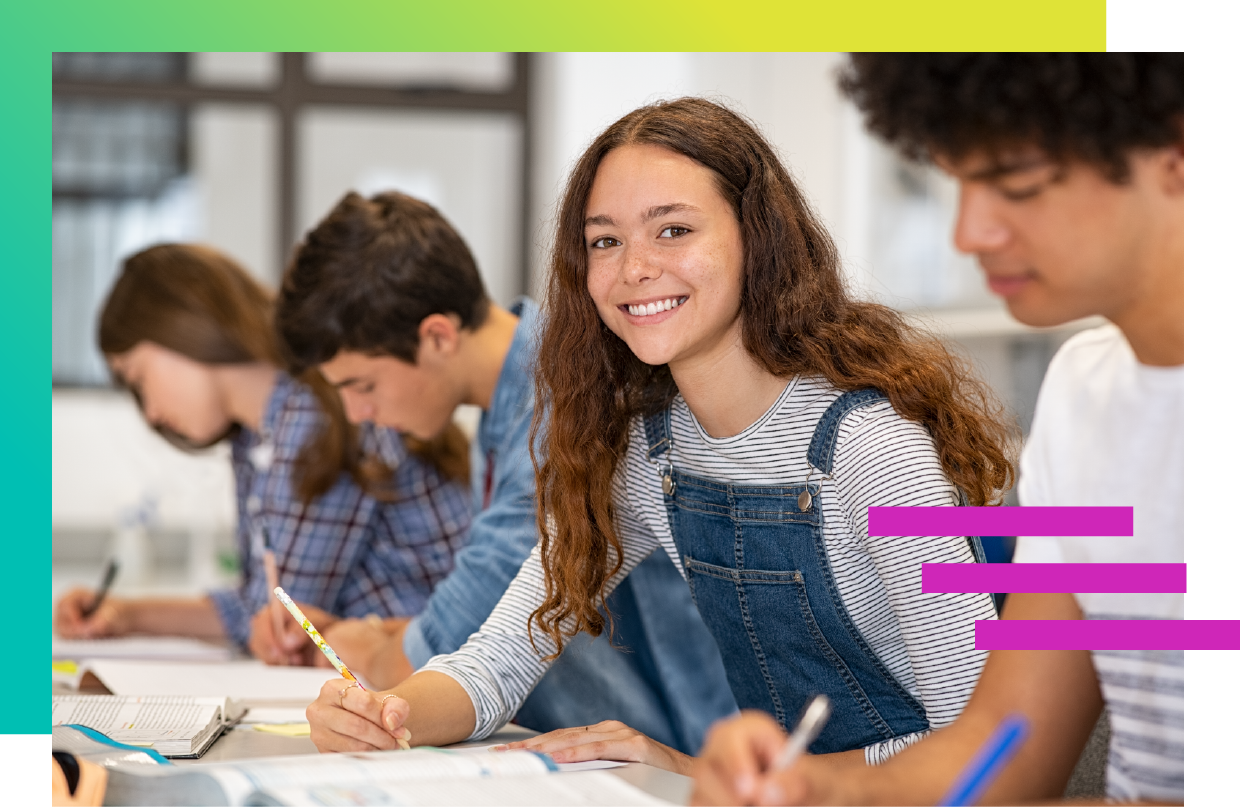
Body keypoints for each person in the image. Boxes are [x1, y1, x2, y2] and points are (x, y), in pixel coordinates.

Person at [302, 98, 1015, 775]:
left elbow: (979, 741)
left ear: (756, 236)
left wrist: (704, 770)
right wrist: (386, 714)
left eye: (673, 229)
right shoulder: (645, 453)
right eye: (605, 241)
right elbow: (497, 659)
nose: (634, 268)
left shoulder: (869, 448)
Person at [692, 53, 1184, 807]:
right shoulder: (1087, 393)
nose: (969, 232)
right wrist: (815, 788)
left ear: (1180, 153)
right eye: (958, 181)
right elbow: (1006, 741)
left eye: (1016, 183)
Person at [273, 190, 738, 755]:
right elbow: (499, 644)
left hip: (681, 745)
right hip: (656, 760)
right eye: (605, 242)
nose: (357, 415)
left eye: (362, 386)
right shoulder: (594, 452)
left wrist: (371, 644)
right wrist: (384, 699)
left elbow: (448, 636)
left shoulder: (565, 411)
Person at [53, 243, 472, 661]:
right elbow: (262, 605)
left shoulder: (315, 417)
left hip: (442, 673)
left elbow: (279, 623)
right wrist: (124, 616)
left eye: (140, 379)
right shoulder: (258, 436)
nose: (151, 414)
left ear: (182, 326)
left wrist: (135, 616)